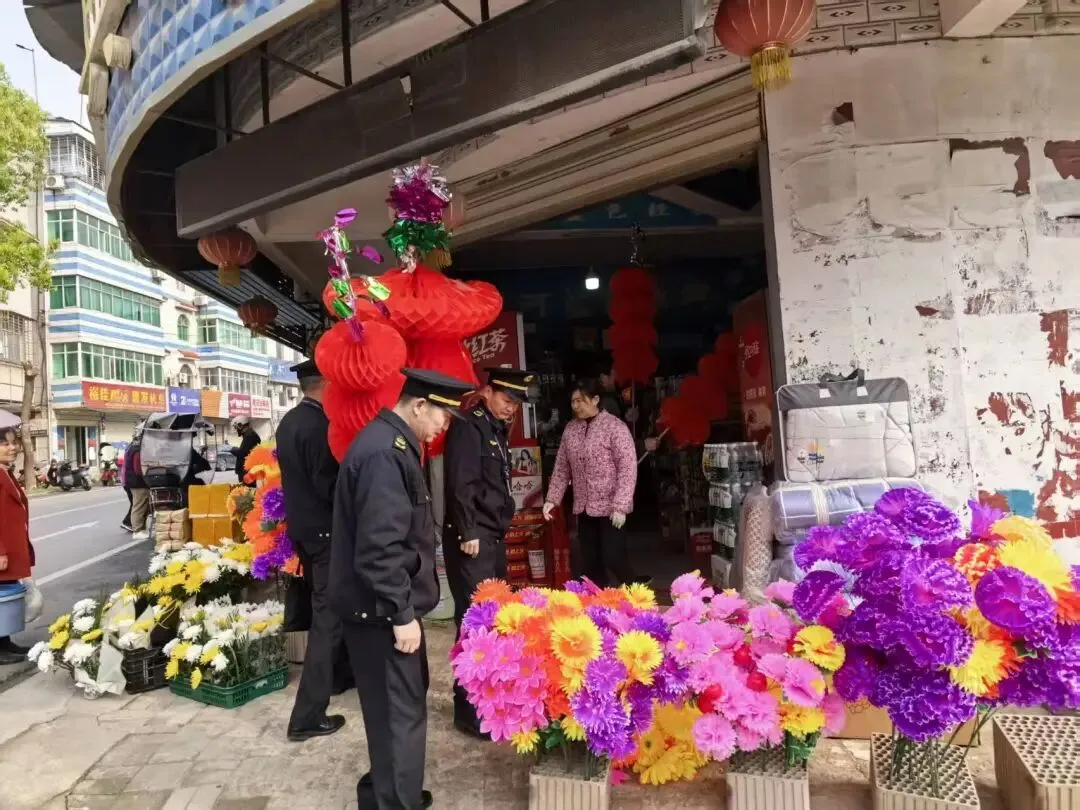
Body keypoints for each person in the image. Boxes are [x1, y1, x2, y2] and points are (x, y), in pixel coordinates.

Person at [331, 368, 473, 810]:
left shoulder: (390, 445)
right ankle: (397, 801)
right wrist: (401, 614)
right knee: (399, 716)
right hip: (381, 612)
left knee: (391, 712)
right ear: (419, 406)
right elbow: (379, 548)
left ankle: (388, 793)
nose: (442, 428)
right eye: (442, 418)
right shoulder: (383, 455)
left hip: (380, 608)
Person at [443, 367, 532, 738]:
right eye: (507, 400)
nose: (512, 408)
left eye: (516, 404)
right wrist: (467, 531)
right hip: (473, 538)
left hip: (490, 536)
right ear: (489, 392)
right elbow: (460, 481)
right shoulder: (470, 424)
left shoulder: (494, 427)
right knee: (474, 623)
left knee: (493, 621)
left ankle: (487, 702)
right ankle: (467, 710)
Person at [279, 359, 352, 742]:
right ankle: (307, 715)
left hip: (305, 535)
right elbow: (329, 487)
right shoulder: (321, 426)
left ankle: (341, 677)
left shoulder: (289, 421)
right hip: (326, 535)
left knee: (331, 611)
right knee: (328, 622)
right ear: (325, 384)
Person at [543, 378, 640, 587]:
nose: (576, 406)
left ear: (595, 399)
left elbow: (627, 467)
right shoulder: (571, 430)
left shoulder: (615, 427)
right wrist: (552, 499)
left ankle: (636, 594)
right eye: (573, 402)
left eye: (580, 401)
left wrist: (621, 505)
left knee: (613, 556)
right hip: (584, 506)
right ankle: (599, 605)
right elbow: (562, 467)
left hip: (611, 508)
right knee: (591, 561)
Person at [0, 426, 33, 664]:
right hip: (2, 548)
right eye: (4, 444)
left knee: (5, 595)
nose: (12, 448)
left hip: (12, 544)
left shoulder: (5, 472)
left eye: (14, 443)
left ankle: (5, 642)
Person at [126, 422, 152, 542]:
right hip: (137, 482)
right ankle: (137, 530)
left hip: (139, 481)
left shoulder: (138, 445)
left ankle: (142, 528)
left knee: (145, 506)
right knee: (139, 506)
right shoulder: (137, 447)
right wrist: (146, 476)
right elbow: (138, 468)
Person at [232, 416, 261, 482]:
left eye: (236, 427)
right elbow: (246, 450)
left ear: (240, 425)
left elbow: (242, 453)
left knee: (247, 491)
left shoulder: (250, 435)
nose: (236, 430)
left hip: (247, 472)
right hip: (247, 471)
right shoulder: (248, 434)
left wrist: (233, 449)